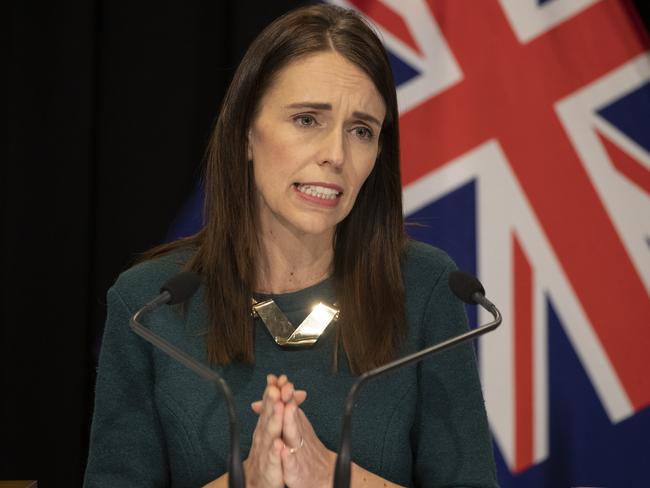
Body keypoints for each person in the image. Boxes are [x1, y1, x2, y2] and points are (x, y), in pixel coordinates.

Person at [83, 4, 498, 488]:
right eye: (307, 120)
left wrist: (335, 478)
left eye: (361, 130)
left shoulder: (426, 289)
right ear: (245, 134)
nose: (336, 155)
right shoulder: (150, 306)